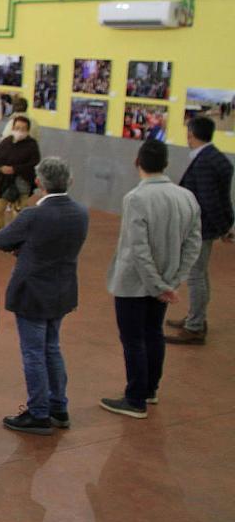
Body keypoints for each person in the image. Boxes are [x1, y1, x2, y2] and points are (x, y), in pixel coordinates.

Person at [103, 140, 201, 419]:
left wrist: (157, 284)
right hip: (166, 283)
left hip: (135, 283)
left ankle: (135, 398)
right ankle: (150, 388)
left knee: (133, 338)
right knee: (153, 333)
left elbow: (138, 248)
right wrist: (172, 281)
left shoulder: (136, 198)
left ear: (138, 162)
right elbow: (193, 244)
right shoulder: (187, 197)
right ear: (166, 164)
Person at [0, 157, 89, 435]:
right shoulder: (80, 212)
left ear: (38, 182)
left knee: (33, 352)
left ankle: (38, 412)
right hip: (62, 289)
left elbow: (1, 240)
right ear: (69, 180)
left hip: (33, 290)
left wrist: (23, 247)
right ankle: (59, 405)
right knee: (52, 347)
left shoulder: (33, 215)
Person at [165, 116, 234, 344]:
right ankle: (196, 317)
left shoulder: (204, 161)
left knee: (196, 276)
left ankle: (194, 326)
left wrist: (223, 227)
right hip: (208, 225)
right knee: (200, 274)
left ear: (192, 134)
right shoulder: (215, 157)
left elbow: (209, 200)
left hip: (201, 227)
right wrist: (225, 224)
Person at [0, 116, 41, 235]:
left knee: (19, 212)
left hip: (22, 183)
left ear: (28, 131)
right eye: (17, 128)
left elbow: (34, 162)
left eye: (23, 129)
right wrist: (0, 168)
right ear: (12, 128)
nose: (19, 131)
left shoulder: (32, 145)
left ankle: (16, 237)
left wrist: (15, 169)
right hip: (5, 183)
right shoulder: (6, 141)